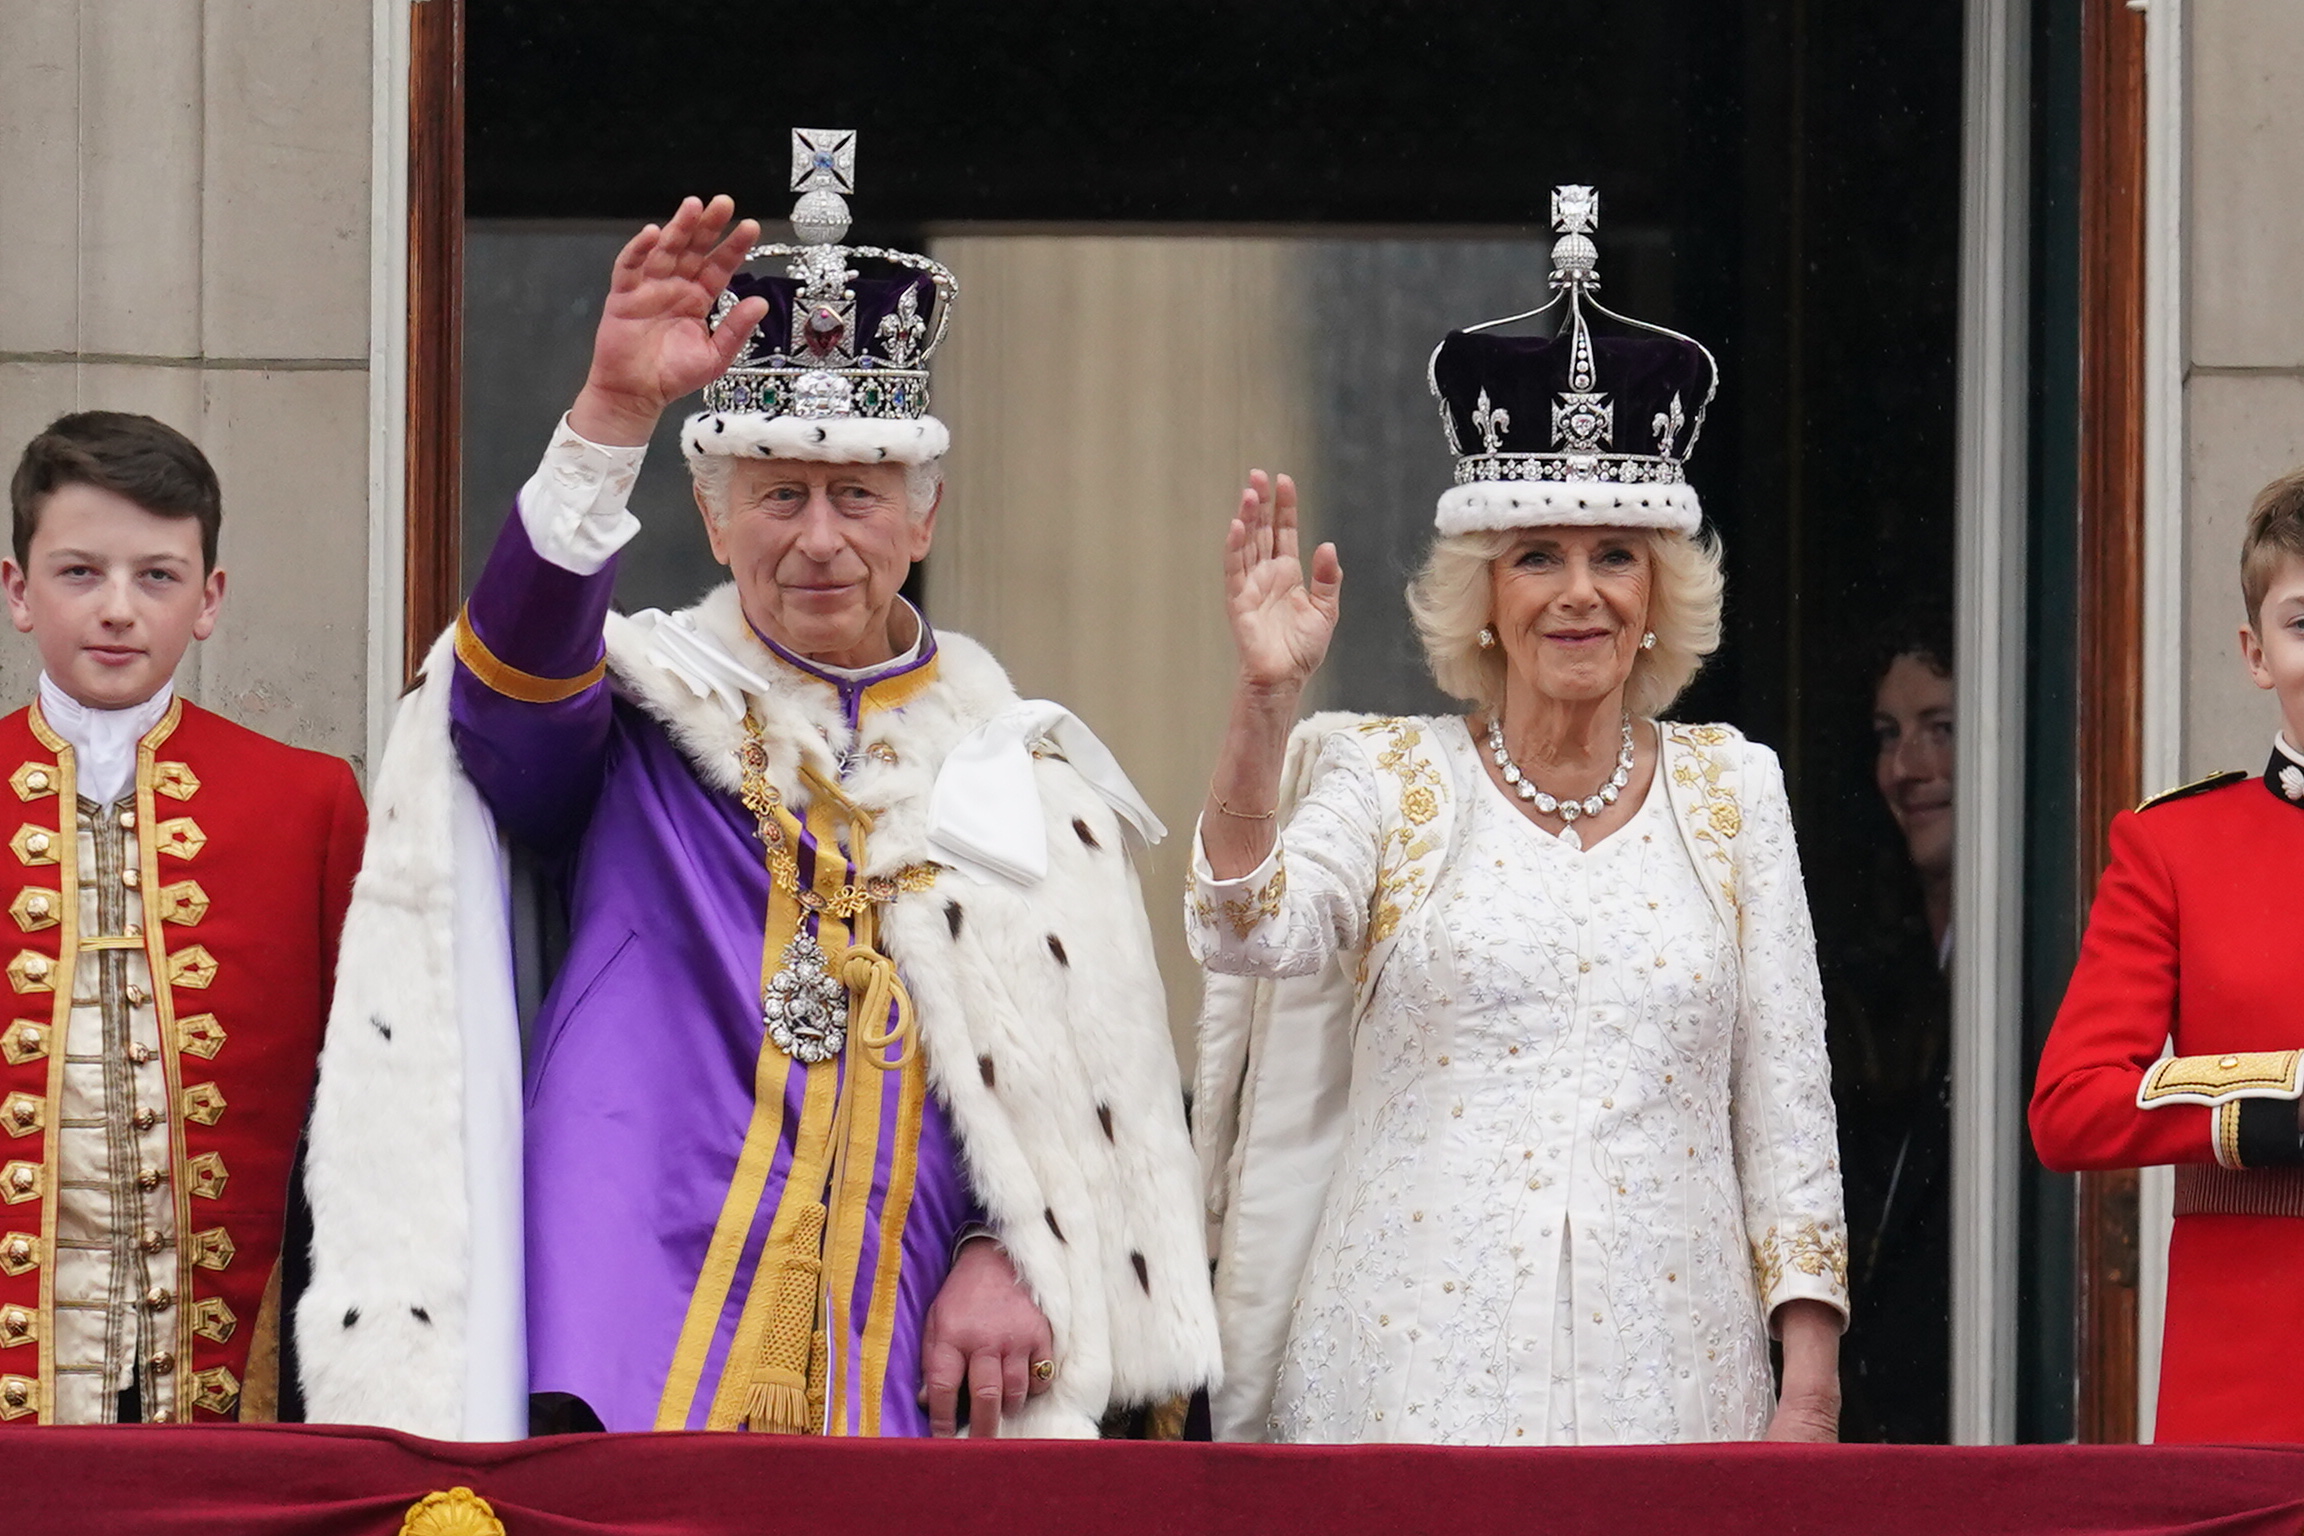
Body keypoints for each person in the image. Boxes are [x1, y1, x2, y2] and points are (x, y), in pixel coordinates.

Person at [294, 138, 1217, 1440]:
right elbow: (501, 697)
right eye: (780, 493)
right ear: (716, 519)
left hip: (898, 1356)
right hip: (621, 1329)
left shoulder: (1026, 778)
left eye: (858, 493)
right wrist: (610, 414)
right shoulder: (638, 713)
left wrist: (1018, 1243)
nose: (821, 537)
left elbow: (1066, 1090)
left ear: (925, 517)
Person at [1188, 186, 1847, 1446]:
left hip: (1677, 1386)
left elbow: (1788, 1109)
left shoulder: (1732, 788)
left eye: (1613, 555)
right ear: (1482, 595)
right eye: (1536, 555)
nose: (1579, 593)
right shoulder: (1390, 777)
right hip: (1405, 1381)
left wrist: (1805, 1391)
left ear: (1659, 589)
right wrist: (1265, 702)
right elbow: (1243, 926)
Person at [0, 412, 365, 1425]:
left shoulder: (309, 802)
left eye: (156, 576)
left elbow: (371, 1106)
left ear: (209, 600)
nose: (118, 610)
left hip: (231, 1372)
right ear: (17, 590)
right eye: (79, 573)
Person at [2032, 465, 2304, 1443]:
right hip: (2254, 1378)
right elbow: (2068, 1108)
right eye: (2303, 623)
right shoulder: (2174, 847)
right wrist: (2261, 1113)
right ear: (2256, 653)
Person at [1823, 612, 1953, 1442]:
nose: (1908, 767)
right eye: (1888, 735)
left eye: (1940, 728)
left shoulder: (2042, 961)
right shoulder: (1877, 978)